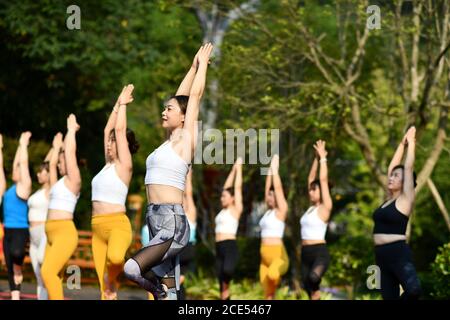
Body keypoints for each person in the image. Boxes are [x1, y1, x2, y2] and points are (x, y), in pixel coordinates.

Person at [124, 43, 213, 300]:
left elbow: (192, 98)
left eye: (169, 109)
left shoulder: (186, 141)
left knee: (132, 268)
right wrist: (192, 66)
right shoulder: (166, 142)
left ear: (184, 117)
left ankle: (158, 292)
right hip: (154, 219)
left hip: (171, 223)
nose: (164, 112)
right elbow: (181, 96)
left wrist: (203, 66)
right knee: (173, 292)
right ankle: (166, 294)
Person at [91, 84, 139, 300]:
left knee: (116, 259)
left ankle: (113, 279)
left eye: (114, 142)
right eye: (109, 142)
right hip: (97, 228)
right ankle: (110, 287)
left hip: (117, 225)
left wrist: (123, 105)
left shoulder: (124, 166)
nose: (109, 145)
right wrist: (116, 104)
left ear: (123, 146)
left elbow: (119, 130)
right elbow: (108, 130)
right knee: (105, 291)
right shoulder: (107, 165)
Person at [373, 126, 421, 299]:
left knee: (413, 290)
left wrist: (412, 143)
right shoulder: (388, 199)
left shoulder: (405, 200)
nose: (391, 177)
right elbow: (393, 167)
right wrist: (402, 144)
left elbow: (407, 168)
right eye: (391, 176)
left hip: (398, 252)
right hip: (381, 256)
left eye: (396, 176)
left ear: (405, 182)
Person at [41, 115, 81, 300]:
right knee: (54, 276)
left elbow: (70, 153)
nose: (59, 163)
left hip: (64, 232)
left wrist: (71, 130)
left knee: (47, 272)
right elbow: (51, 164)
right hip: (51, 233)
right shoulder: (58, 183)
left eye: (61, 160)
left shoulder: (73, 180)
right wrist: (56, 149)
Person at [300, 140, 332, 300]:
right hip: (305, 252)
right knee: (307, 287)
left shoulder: (325, 207)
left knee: (313, 279)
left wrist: (323, 159)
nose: (311, 192)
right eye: (310, 190)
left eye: (315, 190)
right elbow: (311, 178)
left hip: (319, 252)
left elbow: (322, 180)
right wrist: (315, 158)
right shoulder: (310, 209)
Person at [2, 132, 32, 300]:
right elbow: (16, 164)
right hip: (8, 230)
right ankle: (15, 295)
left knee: (16, 254)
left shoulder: (25, 187)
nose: (16, 170)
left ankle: (19, 265)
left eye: (19, 169)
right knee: (9, 265)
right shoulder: (9, 190)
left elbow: (23, 163)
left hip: (21, 230)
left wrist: (23, 144)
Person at [27, 141, 55, 300]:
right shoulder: (38, 191)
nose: (38, 174)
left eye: (41, 172)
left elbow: (50, 165)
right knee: (38, 275)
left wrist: (54, 148)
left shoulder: (50, 190)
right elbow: (46, 165)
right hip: (33, 236)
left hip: (44, 232)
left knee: (44, 266)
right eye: (37, 172)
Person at [259, 154, 289, 299]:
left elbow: (277, 187)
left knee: (273, 275)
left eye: (272, 195)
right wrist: (270, 170)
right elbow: (267, 187)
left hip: (278, 254)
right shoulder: (268, 212)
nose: (269, 197)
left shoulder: (281, 210)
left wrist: (275, 170)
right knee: (267, 292)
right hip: (264, 255)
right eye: (269, 195)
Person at [215, 157, 243, 300]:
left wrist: (239, 169)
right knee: (221, 280)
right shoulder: (223, 211)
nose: (222, 198)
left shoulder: (235, 209)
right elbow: (227, 187)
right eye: (221, 196)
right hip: (218, 246)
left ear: (232, 198)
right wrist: (232, 170)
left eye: (224, 196)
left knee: (226, 272)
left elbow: (236, 188)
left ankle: (226, 295)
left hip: (229, 246)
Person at [179, 168, 197, 300]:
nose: (183, 201)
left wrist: (188, 175)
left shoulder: (190, 214)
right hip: (178, 248)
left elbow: (188, 193)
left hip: (187, 248)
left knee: (178, 280)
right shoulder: (178, 215)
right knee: (177, 285)